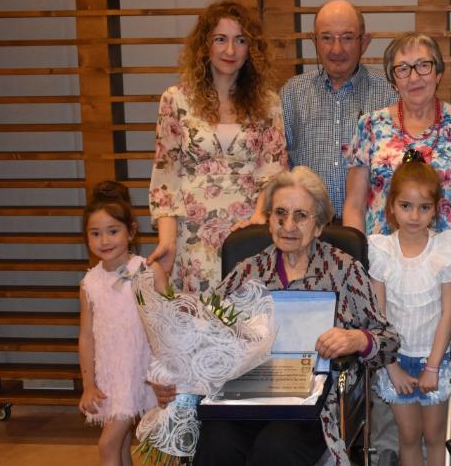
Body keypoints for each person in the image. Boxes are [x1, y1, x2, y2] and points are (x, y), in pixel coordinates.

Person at [150, 166, 399, 466]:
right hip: (244, 398)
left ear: (319, 225)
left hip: (311, 407)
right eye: (280, 213)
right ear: (269, 220)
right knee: (216, 443)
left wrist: (358, 338)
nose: (288, 225)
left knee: (276, 447)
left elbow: (388, 342)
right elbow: (202, 333)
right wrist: (170, 375)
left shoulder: (344, 270)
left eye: (301, 216)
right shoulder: (247, 272)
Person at [147, 0, 288, 294]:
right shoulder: (175, 100)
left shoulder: (268, 102)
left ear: (251, 49)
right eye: (220, 39)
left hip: (248, 227)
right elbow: (166, 179)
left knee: (246, 323)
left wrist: (259, 220)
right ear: (204, 45)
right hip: (193, 234)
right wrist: (168, 241)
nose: (230, 51)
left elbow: (273, 171)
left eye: (240, 40)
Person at [343, 32, 451, 243]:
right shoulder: (369, 126)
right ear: (393, 81)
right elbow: (354, 204)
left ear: (438, 73)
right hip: (384, 263)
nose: (414, 77)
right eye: (403, 69)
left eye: (423, 65)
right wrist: (356, 260)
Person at [368, 152, 451, 466]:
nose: (414, 216)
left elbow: (449, 313)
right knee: (408, 437)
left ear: (436, 210)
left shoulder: (444, 250)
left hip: (433, 360)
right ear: (391, 207)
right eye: (406, 206)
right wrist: (391, 366)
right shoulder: (381, 252)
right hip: (395, 362)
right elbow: (378, 317)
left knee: (434, 436)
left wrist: (433, 367)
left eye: (424, 208)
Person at [280, 0, 398, 216]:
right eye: (326, 38)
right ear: (314, 41)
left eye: (347, 38)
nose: (337, 49)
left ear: (364, 42)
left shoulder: (390, 93)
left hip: (371, 227)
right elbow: (279, 166)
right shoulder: (292, 94)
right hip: (306, 229)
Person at [78, 181, 156, 466]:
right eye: (95, 233)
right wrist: (88, 384)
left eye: (113, 231)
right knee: (121, 445)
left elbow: (161, 324)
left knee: (107, 444)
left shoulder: (144, 271)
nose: (104, 241)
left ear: (131, 231)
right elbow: (86, 337)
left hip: (137, 373)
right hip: (110, 377)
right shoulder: (89, 283)